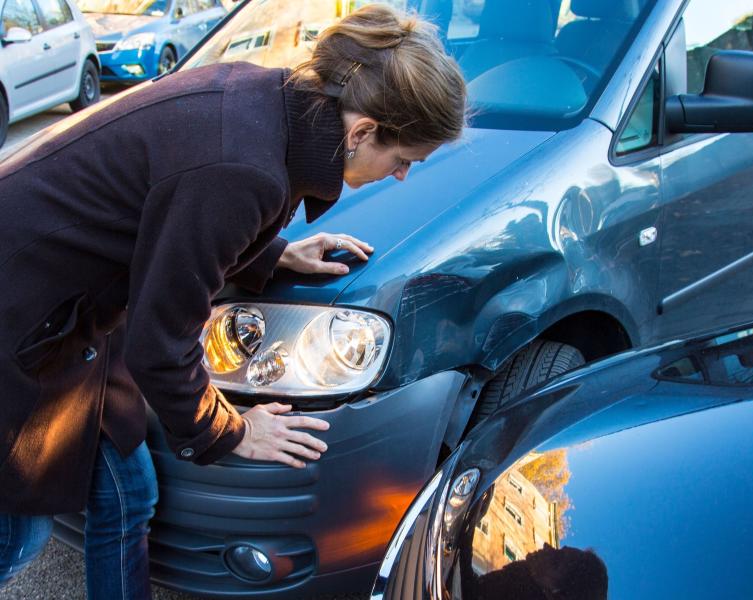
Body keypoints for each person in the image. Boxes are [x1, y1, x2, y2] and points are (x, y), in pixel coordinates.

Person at [0, 4, 466, 598]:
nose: (401, 176)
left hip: (62, 316)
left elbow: (172, 210)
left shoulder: (266, 99)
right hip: (19, 316)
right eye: (402, 160)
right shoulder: (246, 168)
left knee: (127, 494)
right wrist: (231, 430)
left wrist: (272, 253)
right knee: (18, 537)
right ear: (362, 132)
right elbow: (159, 344)